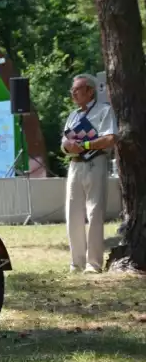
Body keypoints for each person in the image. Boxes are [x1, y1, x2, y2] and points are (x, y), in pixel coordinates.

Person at [61, 73, 117, 274]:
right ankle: (76, 263)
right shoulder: (73, 115)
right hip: (75, 165)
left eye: (77, 90)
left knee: (94, 212)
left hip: (95, 163)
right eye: (72, 90)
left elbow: (110, 138)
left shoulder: (104, 111)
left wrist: (85, 144)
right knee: (72, 213)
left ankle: (93, 263)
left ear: (90, 91)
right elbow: (64, 143)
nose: (73, 94)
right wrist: (68, 147)